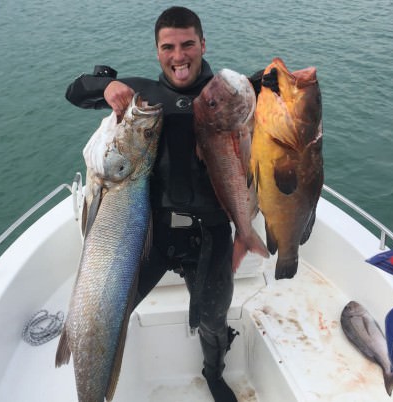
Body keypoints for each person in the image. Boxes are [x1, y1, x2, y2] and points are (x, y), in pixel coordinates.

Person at [65, 7, 276, 402]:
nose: (179, 56)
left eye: (187, 44)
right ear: (157, 51)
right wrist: (107, 86)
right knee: (106, 313)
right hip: (150, 232)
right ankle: (95, 379)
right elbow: (76, 91)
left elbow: (279, 96)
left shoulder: (224, 95)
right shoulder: (142, 95)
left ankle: (213, 373)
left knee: (213, 317)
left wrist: (274, 83)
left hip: (212, 232)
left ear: (203, 44)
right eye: (168, 47)